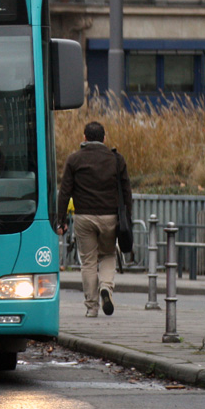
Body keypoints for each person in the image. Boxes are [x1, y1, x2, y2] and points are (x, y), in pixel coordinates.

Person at [56, 121, 133, 318]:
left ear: (84, 138)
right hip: (110, 217)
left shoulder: (74, 160)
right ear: (104, 139)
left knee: (88, 262)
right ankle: (105, 288)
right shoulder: (116, 159)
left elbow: (64, 192)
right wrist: (127, 219)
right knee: (107, 255)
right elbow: (126, 192)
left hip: (84, 217)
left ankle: (91, 307)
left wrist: (61, 220)